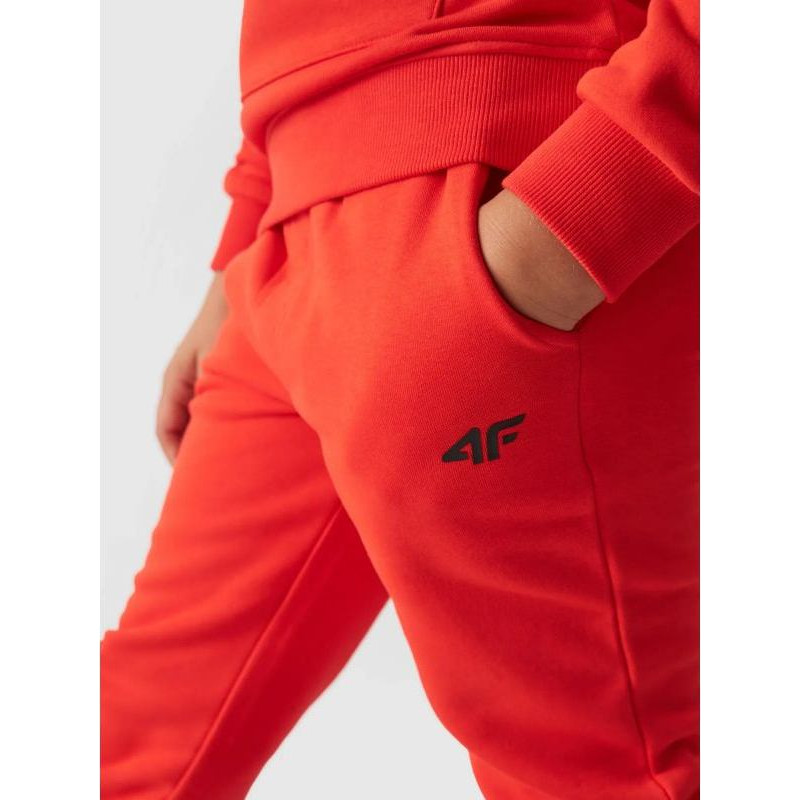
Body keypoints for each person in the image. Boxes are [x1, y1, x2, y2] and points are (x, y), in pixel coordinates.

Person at [101, 0, 699, 797]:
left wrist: (596, 196)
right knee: (134, 738)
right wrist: (244, 236)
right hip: (289, 249)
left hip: (499, 203)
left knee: (604, 773)